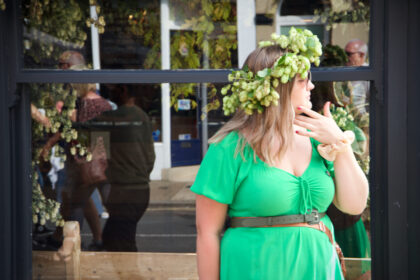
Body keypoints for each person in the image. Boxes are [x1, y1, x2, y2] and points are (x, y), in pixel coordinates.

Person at [191, 35, 369, 279]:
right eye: (302, 80)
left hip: (317, 266)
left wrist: (340, 144)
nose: (311, 86)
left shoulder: (319, 138)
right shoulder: (230, 148)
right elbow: (207, 233)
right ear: (277, 86)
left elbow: (354, 205)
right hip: (255, 268)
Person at [94, 84, 156, 251]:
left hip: (124, 190)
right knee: (113, 238)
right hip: (139, 189)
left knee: (122, 244)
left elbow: (96, 154)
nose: (109, 92)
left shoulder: (112, 117)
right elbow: (151, 157)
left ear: (123, 90)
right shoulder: (142, 116)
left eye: (113, 88)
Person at [344, 39, 370, 116]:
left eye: (349, 54)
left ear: (361, 55)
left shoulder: (368, 75)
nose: (345, 57)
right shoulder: (343, 70)